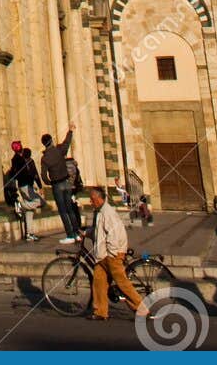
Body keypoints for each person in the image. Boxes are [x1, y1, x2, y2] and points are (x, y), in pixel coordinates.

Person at [87, 185, 148, 321]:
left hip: (111, 254)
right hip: (102, 255)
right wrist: (86, 233)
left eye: (92, 199)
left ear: (98, 199)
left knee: (122, 283)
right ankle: (100, 312)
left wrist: (112, 253)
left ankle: (141, 309)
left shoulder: (107, 213)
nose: (90, 202)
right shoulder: (99, 212)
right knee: (99, 282)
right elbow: (99, 232)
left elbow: (113, 235)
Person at [41, 125, 82, 241]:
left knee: (63, 211)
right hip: (66, 182)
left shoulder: (45, 158)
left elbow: (43, 175)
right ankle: (77, 233)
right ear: (52, 141)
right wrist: (70, 131)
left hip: (57, 185)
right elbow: (66, 143)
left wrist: (49, 182)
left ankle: (70, 235)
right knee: (70, 208)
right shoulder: (59, 150)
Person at [11, 147, 43, 241]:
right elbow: (35, 174)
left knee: (30, 211)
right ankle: (21, 206)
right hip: (26, 186)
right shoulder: (23, 162)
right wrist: (40, 186)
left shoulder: (23, 162)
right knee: (40, 202)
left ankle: (29, 233)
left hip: (25, 186)